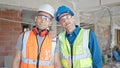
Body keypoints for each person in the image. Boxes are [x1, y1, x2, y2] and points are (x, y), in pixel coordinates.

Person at [12, 4, 61, 68]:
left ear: (50, 23)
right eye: (41, 17)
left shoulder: (54, 40)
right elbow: (16, 59)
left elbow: (56, 62)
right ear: (36, 18)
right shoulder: (24, 36)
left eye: (46, 18)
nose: (43, 21)